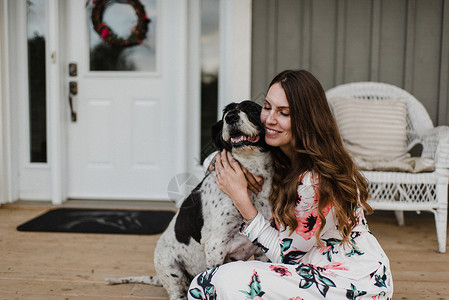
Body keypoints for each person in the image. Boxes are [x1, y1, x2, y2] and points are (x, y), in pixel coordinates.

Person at [188, 70, 393, 299]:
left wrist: (240, 198)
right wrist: (232, 168)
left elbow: (286, 256)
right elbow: (222, 152)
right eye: (267, 107)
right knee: (211, 283)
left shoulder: (315, 179)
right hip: (311, 271)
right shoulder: (280, 152)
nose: (270, 119)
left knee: (213, 284)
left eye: (283, 113)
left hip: (348, 282)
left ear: (306, 120)